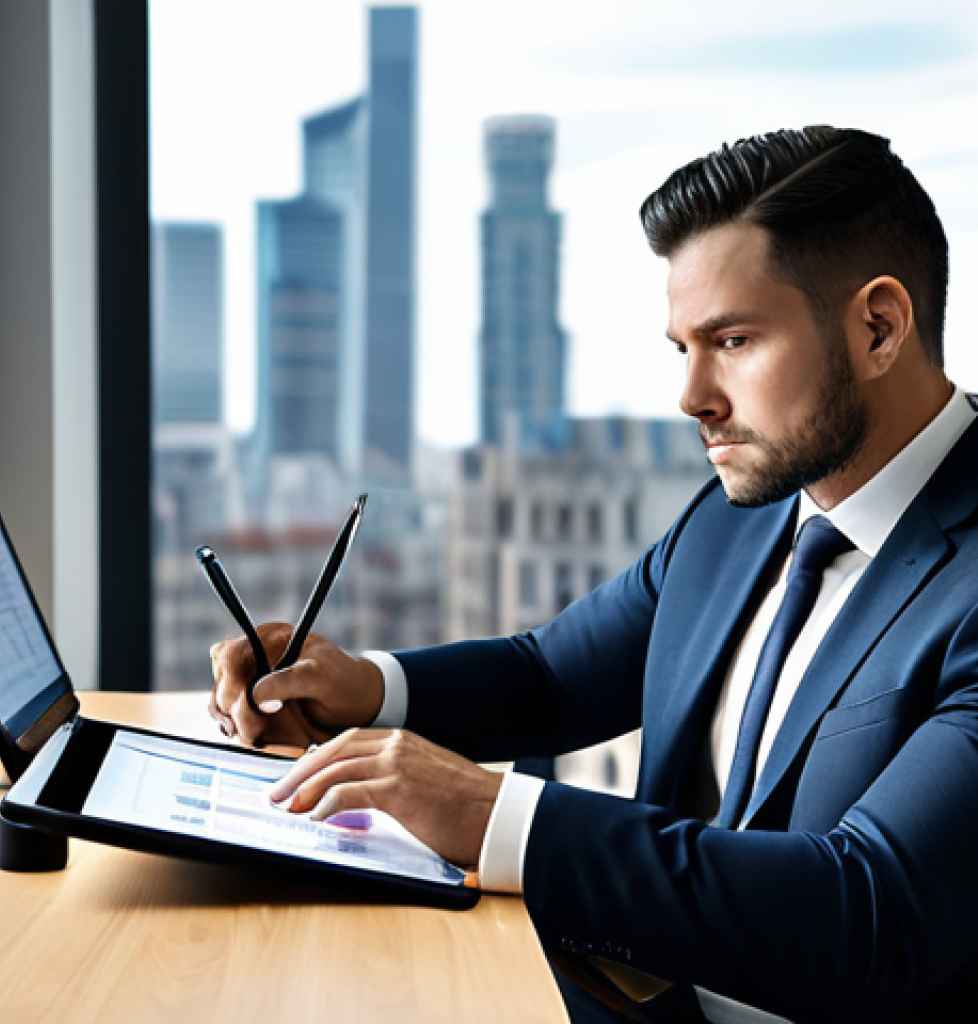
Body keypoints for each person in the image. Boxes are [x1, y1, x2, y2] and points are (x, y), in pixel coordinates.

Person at [209, 127, 978, 1023]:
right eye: (682, 348)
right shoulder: (744, 517)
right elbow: (549, 677)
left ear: (879, 327)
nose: (692, 396)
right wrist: (362, 689)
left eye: (731, 340)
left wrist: (494, 813)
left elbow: (866, 913)